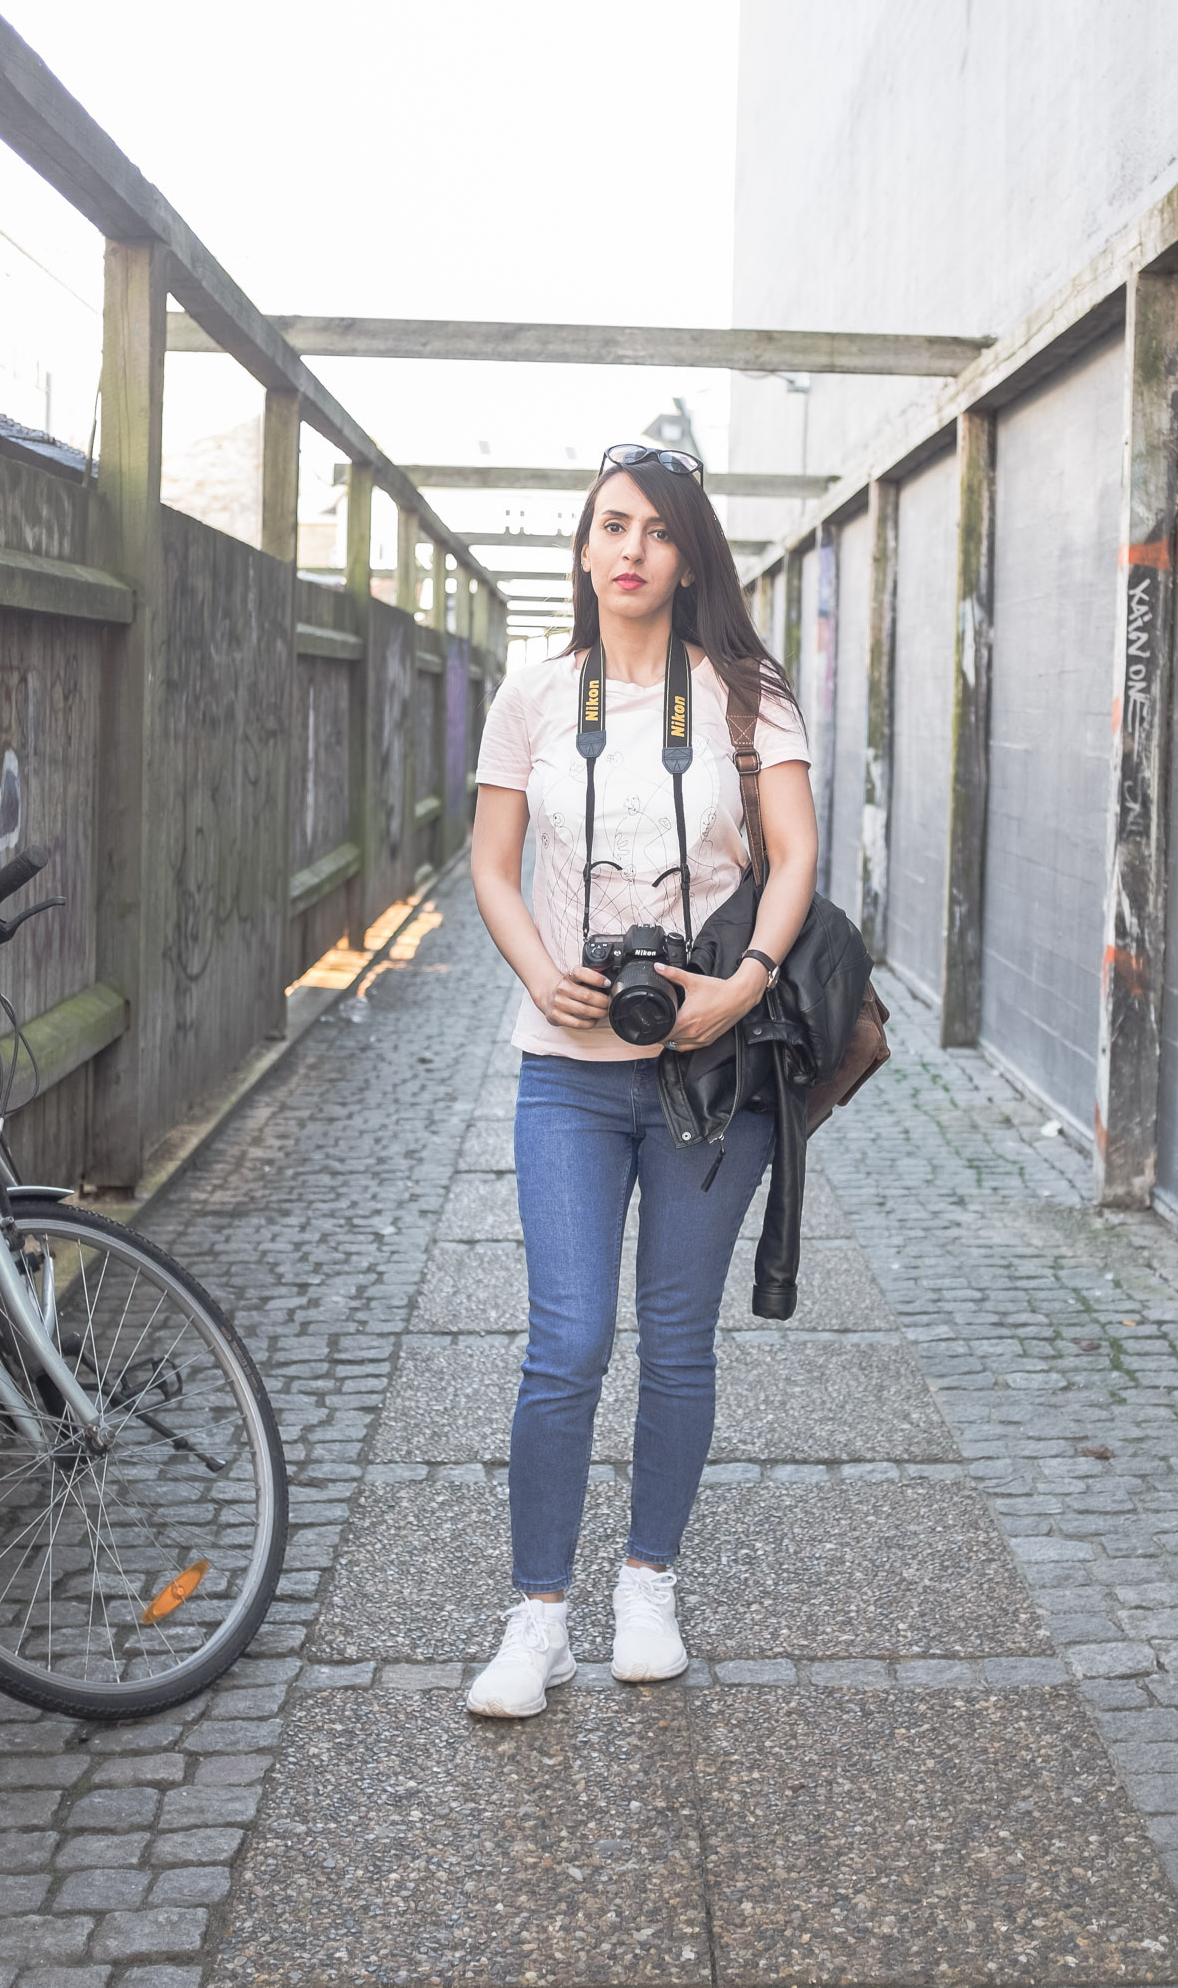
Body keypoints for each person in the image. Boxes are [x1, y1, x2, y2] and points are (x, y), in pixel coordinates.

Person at [467, 443, 818, 1717]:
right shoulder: (533, 695)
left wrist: (743, 980)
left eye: (657, 532)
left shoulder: (745, 694)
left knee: (676, 1343)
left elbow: (793, 856)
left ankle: (647, 1588)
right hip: (564, 1070)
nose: (629, 550)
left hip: (708, 1074)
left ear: (689, 554)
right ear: (583, 545)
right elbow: (493, 864)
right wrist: (540, 966)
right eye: (610, 526)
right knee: (567, 1341)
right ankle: (536, 1617)